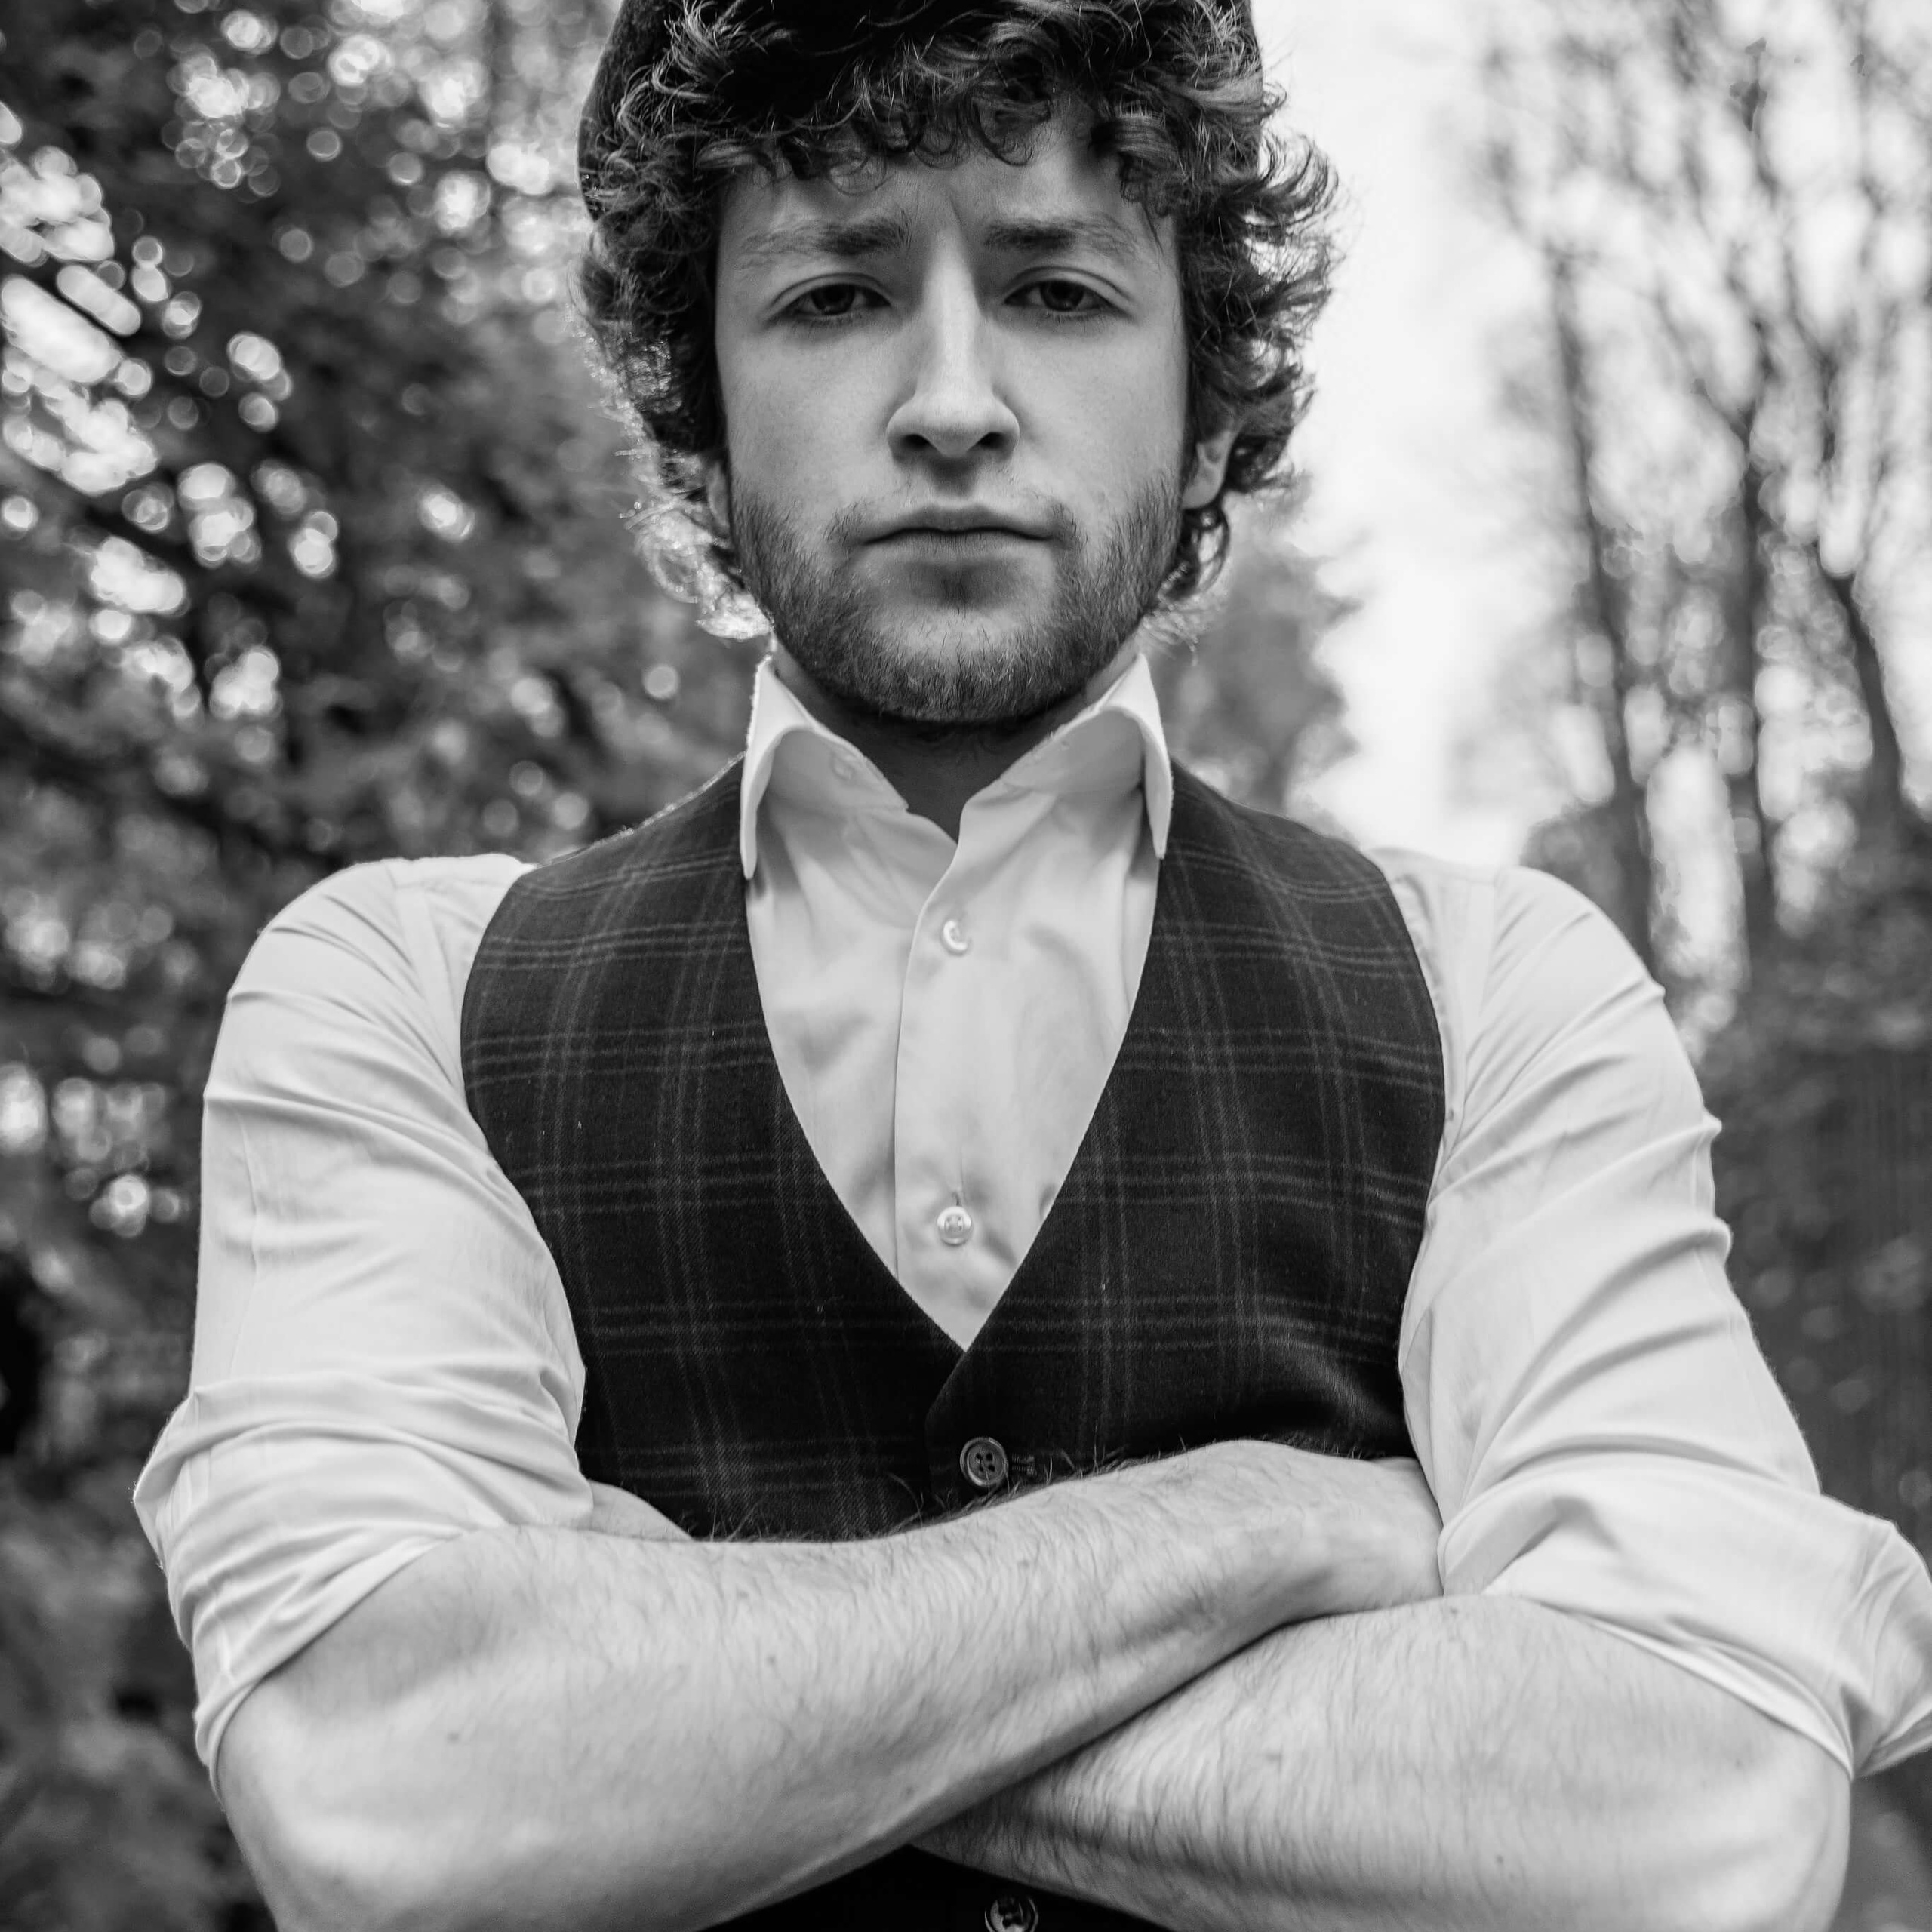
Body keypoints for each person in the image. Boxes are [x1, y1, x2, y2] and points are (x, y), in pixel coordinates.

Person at [135, 2, 1932, 1927]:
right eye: (831, 297)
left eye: (1059, 286)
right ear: (699, 397)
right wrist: (1275, 1527)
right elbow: (393, 1795)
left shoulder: (1495, 990)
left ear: (1208, 394)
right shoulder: (403, 990)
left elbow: (1694, 1823)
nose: (951, 400)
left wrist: (669, 1710)